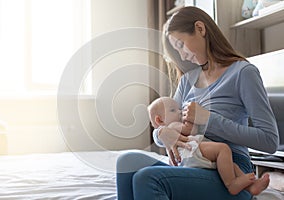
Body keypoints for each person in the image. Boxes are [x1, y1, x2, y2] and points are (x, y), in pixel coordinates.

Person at [116, 6, 279, 200]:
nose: (183, 56)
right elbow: (167, 123)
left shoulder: (243, 73)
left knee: (148, 178)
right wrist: (161, 133)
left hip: (229, 171)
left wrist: (209, 120)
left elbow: (269, 140)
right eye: (177, 51)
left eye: (181, 45)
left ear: (200, 29)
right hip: (192, 163)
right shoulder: (188, 80)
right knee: (126, 162)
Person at [148, 96, 270, 195]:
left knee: (229, 164)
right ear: (160, 120)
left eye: (179, 108)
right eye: (173, 110)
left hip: (193, 153)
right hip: (192, 151)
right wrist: (192, 118)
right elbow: (192, 130)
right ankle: (231, 184)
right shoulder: (173, 126)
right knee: (223, 149)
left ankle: (250, 186)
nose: (180, 111)